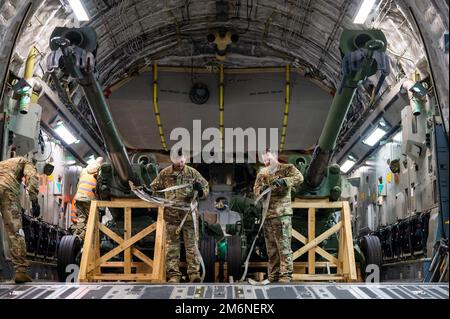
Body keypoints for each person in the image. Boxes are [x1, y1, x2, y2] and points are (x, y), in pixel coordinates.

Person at [150, 153, 209, 283]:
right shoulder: (165, 174)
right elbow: (153, 189)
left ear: (185, 159)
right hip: (171, 216)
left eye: (182, 161)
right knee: (172, 247)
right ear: (172, 160)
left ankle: (193, 274)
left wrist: (200, 192)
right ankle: (174, 276)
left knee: (191, 246)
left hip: (188, 217)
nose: (181, 164)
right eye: (178, 162)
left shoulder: (193, 173)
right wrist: (158, 198)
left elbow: (205, 188)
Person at [0, 157, 54, 283]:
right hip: (7, 191)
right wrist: (34, 201)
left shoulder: (6, 164)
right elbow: (32, 179)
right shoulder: (26, 162)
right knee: (15, 232)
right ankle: (20, 271)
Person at [253, 149, 303, 283]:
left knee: (283, 247)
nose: (266, 162)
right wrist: (261, 190)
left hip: (282, 215)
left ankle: (285, 275)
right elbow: (256, 190)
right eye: (263, 160)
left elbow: (299, 178)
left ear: (274, 155)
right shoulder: (262, 173)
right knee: (271, 249)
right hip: (267, 216)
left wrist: (284, 182)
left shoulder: (287, 168)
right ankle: (273, 276)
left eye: (268, 158)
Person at [70, 157, 104, 240]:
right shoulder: (100, 171)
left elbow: (78, 185)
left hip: (78, 197)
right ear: (101, 164)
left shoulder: (84, 170)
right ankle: (85, 239)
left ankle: (77, 238)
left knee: (81, 218)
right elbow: (101, 189)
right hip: (89, 199)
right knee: (93, 220)